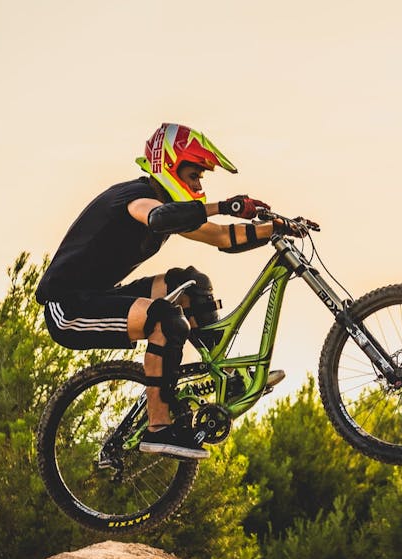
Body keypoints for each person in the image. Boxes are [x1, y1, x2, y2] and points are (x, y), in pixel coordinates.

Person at [35, 122, 304, 459]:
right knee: (166, 319)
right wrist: (223, 206)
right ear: (171, 167)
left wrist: (275, 227)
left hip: (101, 296)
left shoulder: (169, 208)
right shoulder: (136, 198)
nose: (199, 184)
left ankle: (227, 377)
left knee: (191, 284)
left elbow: (221, 237)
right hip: (69, 309)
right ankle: (158, 428)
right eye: (194, 175)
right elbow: (158, 217)